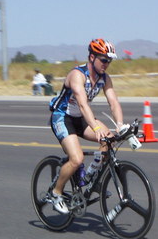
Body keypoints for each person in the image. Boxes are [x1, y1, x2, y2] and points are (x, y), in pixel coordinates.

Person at [49, 38, 124, 214]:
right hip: (63, 117)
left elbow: (113, 102)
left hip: (81, 119)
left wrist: (120, 125)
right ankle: (56, 193)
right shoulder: (77, 75)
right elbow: (83, 104)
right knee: (76, 158)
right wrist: (96, 128)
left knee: (110, 140)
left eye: (109, 61)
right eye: (104, 60)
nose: (107, 64)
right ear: (92, 57)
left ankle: (91, 176)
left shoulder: (104, 78)